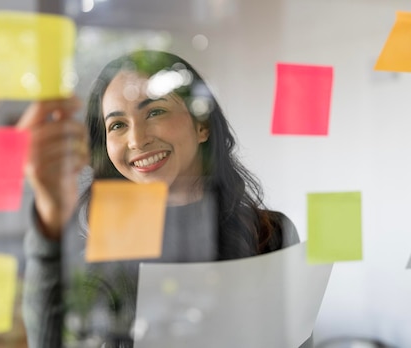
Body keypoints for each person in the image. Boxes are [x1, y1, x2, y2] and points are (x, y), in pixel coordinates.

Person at [17, 50, 306, 348]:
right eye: (117, 125)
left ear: (202, 125)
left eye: (155, 112)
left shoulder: (271, 233)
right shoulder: (90, 250)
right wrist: (50, 214)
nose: (137, 140)